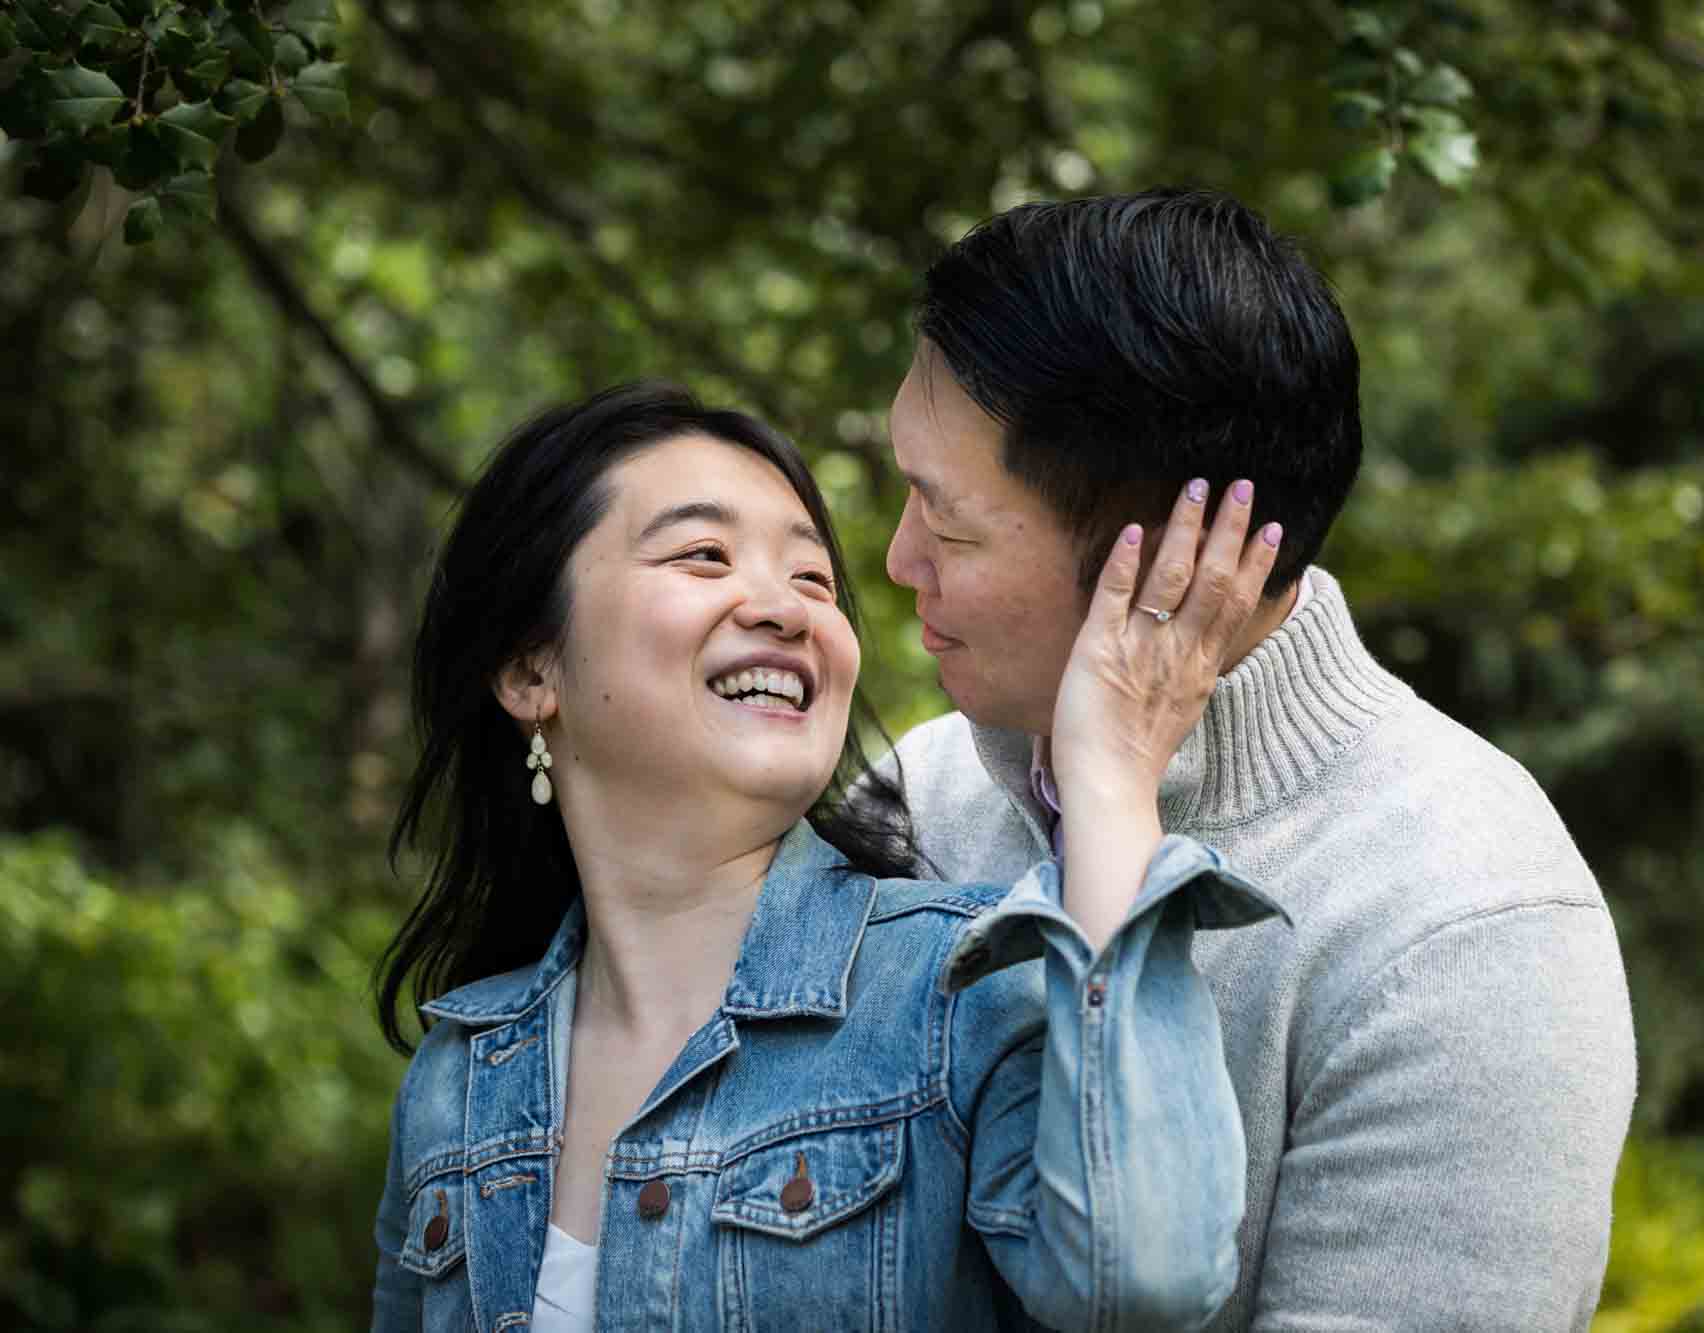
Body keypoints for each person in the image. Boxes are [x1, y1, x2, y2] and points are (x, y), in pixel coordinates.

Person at [367, 381, 1287, 1332]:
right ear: (531, 670)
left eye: (812, 579)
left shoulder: (961, 985)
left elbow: (1143, 1277)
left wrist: (1113, 771)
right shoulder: (457, 1075)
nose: (786, 608)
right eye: (703, 555)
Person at [884, 188, 1638, 1330]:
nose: (898, 562)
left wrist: (1110, 800)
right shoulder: (913, 800)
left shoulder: (1466, 918)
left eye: (949, 530)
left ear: (1171, 563)